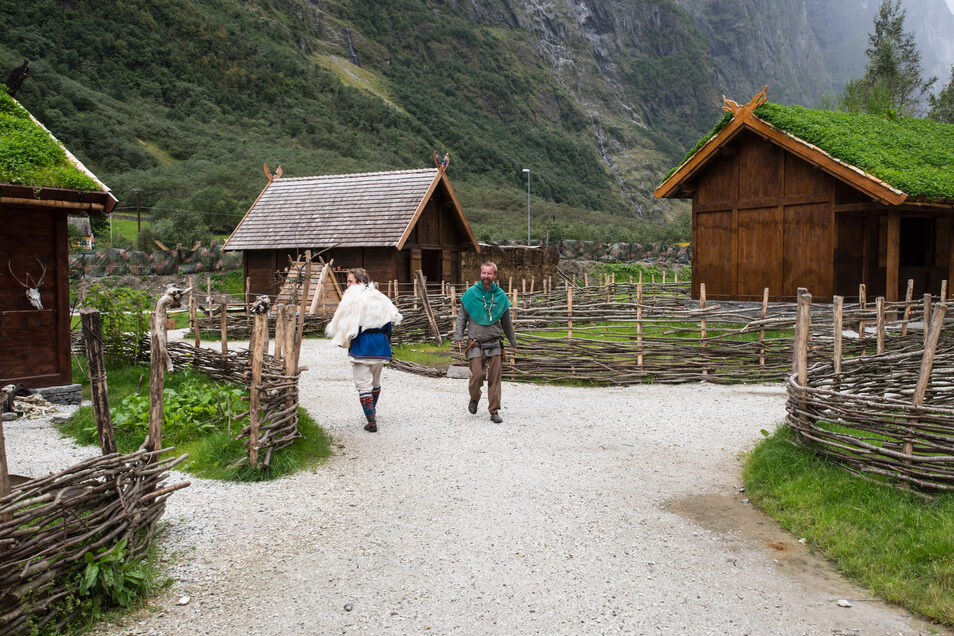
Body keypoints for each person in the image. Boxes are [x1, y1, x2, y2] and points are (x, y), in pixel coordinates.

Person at [325, 268, 403, 433]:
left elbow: (345, 325)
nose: (347, 285)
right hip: (381, 346)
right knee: (375, 383)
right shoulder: (380, 298)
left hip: (362, 346)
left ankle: (371, 422)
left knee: (363, 386)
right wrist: (384, 341)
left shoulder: (353, 299)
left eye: (350, 281)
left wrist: (344, 340)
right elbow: (389, 322)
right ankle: (371, 413)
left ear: (360, 282)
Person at [454, 261, 517, 423]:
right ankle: (474, 397)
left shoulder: (501, 296)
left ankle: (494, 410)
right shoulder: (471, 294)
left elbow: (506, 321)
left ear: (495, 276)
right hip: (475, 343)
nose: (486, 277)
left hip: (495, 343)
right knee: (477, 375)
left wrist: (512, 340)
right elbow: (462, 316)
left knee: (495, 379)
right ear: (480, 274)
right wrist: (458, 335)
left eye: (489, 274)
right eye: (483, 273)